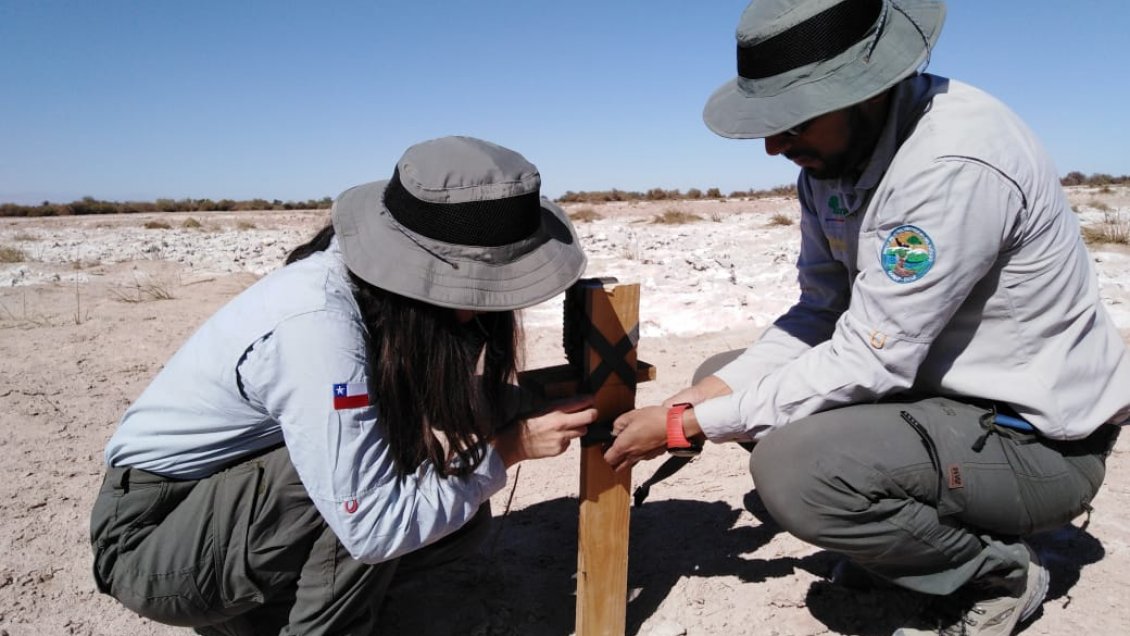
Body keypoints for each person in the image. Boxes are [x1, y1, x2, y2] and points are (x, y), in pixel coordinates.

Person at [605, 1, 1130, 634]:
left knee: (794, 470)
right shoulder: (832, 162)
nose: (773, 146)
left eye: (793, 121)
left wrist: (686, 428)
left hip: (1036, 441)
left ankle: (997, 573)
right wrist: (699, 400)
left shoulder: (949, 166)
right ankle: (900, 538)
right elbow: (821, 312)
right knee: (725, 375)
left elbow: (871, 358)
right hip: (940, 399)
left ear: (865, 90)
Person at [90, 136, 598, 635]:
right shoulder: (319, 326)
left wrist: (536, 402)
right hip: (153, 541)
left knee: (445, 507)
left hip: (216, 513)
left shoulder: (370, 292)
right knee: (386, 472)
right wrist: (509, 449)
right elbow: (374, 524)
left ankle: (269, 616)